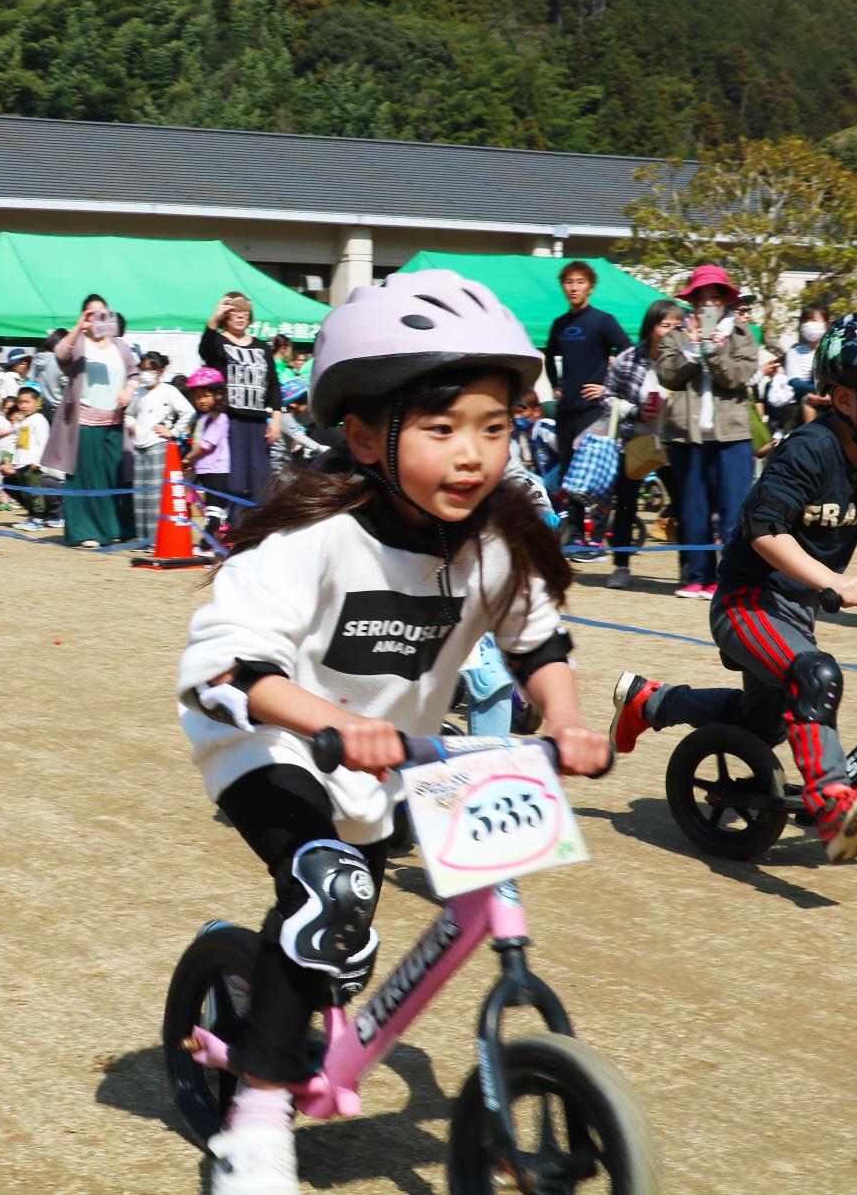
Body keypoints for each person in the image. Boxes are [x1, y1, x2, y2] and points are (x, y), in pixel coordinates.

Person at [178, 269, 607, 1193]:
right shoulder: (315, 537)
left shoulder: (492, 540)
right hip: (271, 739)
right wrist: (332, 721)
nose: (473, 455)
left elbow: (539, 641)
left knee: (346, 920)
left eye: (495, 428)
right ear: (367, 434)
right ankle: (252, 1126)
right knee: (326, 886)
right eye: (443, 427)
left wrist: (566, 720)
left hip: (391, 758)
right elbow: (232, 667)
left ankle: (313, 1006)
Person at [610, 305, 857, 863]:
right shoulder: (809, 450)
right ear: (844, 400)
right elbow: (764, 533)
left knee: (760, 725)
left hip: (795, 610)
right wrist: (835, 579)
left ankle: (651, 701)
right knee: (815, 675)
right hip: (748, 602)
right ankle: (831, 801)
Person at [654, 265, 759, 599]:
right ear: (693, 301)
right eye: (702, 297)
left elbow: (738, 377)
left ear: (726, 300)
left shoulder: (741, 334)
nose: (708, 304)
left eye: (715, 296)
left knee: (733, 512)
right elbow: (666, 375)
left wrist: (714, 352)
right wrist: (691, 348)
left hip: (732, 436)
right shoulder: (676, 335)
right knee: (693, 510)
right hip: (687, 437)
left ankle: (730, 578)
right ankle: (697, 576)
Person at [45, 296, 138, 548]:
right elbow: (60, 354)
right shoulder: (79, 345)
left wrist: (129, 391)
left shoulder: (120, 345)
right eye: (91, 313)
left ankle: (117, 528)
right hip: (84, 422)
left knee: (115, 475)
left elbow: (133, 374)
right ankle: (86, 532)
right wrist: (79, 326)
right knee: (86, 477)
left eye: (102, 312)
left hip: (114, 422)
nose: (97, 317)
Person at [603, 299, 683, 588]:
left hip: (674, 444)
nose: (672, 331)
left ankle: (688, 570)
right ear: (651, 329)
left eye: (678, 325)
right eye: (665, 325)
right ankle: (621, 566)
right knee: (625, 505)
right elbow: (607, 397)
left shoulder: (685, 358)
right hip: (635, 442)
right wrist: (635, 410)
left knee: (685, 505)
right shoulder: (628, 359)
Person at [543, 261, 632, 485]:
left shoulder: (603, 320)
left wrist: (608, 389)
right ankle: (572, 520)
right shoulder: (559, 324)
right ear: (563, 286)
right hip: (566, 411)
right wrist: (556, 385)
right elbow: (550, 358)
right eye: (569, 282)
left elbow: (629, 354)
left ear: (590, 287)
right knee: (568, 471)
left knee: (590, 474)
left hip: (593, 410)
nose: (574, 287)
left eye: (580, 282)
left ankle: (594, 520)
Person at [200, 291, 283, 505]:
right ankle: (231, 528)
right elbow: (205, 350)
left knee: (260, 480)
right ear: (226, 316)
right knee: (234, 478)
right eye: (234, 311)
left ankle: (257, 528)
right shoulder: (218, 341)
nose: (240, 316)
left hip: (257, 422)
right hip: (229, 420)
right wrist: (215, 318)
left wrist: (276, 420)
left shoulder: (262, 347)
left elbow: (273, 384)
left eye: (244, 312)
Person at [126, 352, 194, 547]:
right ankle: (142, 539)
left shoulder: (168, 390)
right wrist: (131, 425)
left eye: (151, 369)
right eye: (143, 369)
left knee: (156, 495)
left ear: (160, 372)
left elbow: (188, 412)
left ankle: (155, 540)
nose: (146, 373)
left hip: (158, 445)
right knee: (140, 494)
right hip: (139, 446)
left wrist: (172, 432)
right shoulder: (138, 391)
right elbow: (128, 414)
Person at [762, 303, 830, 434]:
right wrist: (820, 393)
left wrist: (830, 397)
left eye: (814, 320)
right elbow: (794, 382)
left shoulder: (834, 349)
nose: (809, 324)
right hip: (804, 403)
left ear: (826, 324)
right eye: (805, 321)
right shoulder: (795, 350)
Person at [183, 367, 231, 540]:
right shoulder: (203, 418)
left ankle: (208, 544)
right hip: (205, 469)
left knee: (214, 511)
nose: (201, 400)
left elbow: (206, 445)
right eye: (197, 396)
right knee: (213, 508)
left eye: (206, 395)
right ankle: (218, 538)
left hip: (216, 469)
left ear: (218, 395)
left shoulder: (219, 417)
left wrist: (188, 458)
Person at [3, 387, 52, 530]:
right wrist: (14, 462)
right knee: (26, 493)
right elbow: (20, 444)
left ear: (37, 403)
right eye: (21, 402)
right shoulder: (24, 421)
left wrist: (38, 460)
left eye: (27, 402)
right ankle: (32, 516)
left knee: (35, 491)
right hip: (22, 464)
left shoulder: (39, 420)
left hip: (33, 464)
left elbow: (43, 441)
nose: (23, 405)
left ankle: (39, 519)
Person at [269, 379, 327, 480]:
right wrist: (320, 448)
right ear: (293, 403)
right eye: (305, 401)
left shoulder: (290, 418)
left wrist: (307, 450)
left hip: (285, 459)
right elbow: (300, 438)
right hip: (278, 462)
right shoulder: (285, 418)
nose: (307, 404)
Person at [29, 329, 68, 410]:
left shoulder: (36, 360)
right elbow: (67, 384)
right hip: (60, 409)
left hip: (43, 407)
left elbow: (33, 383)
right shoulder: (58, 361)